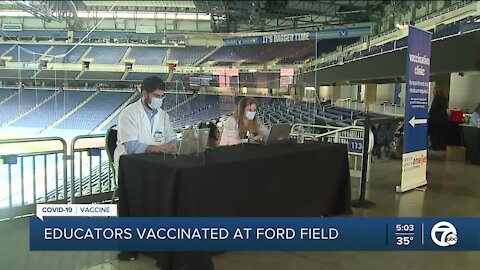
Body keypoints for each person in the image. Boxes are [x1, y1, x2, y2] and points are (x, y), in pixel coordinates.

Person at [114, 76, 177, 175]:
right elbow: (132, 147)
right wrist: (159, 149)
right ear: (145, 94)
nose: (160, 99)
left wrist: (177, 145)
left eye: (162, 96)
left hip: (156, 166)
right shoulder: (129, 113)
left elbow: (171, 139)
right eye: (156, 96)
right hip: (131, 168)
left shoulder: (163, 115)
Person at [428, 85, 449, 150]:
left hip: (436, 119)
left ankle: (435, 146)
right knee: (441, 134)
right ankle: (441, 146)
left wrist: (429, 114)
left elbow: (433, 109)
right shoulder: (444, 98)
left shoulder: (437, 98)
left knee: (434, 134)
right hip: (444, 119)